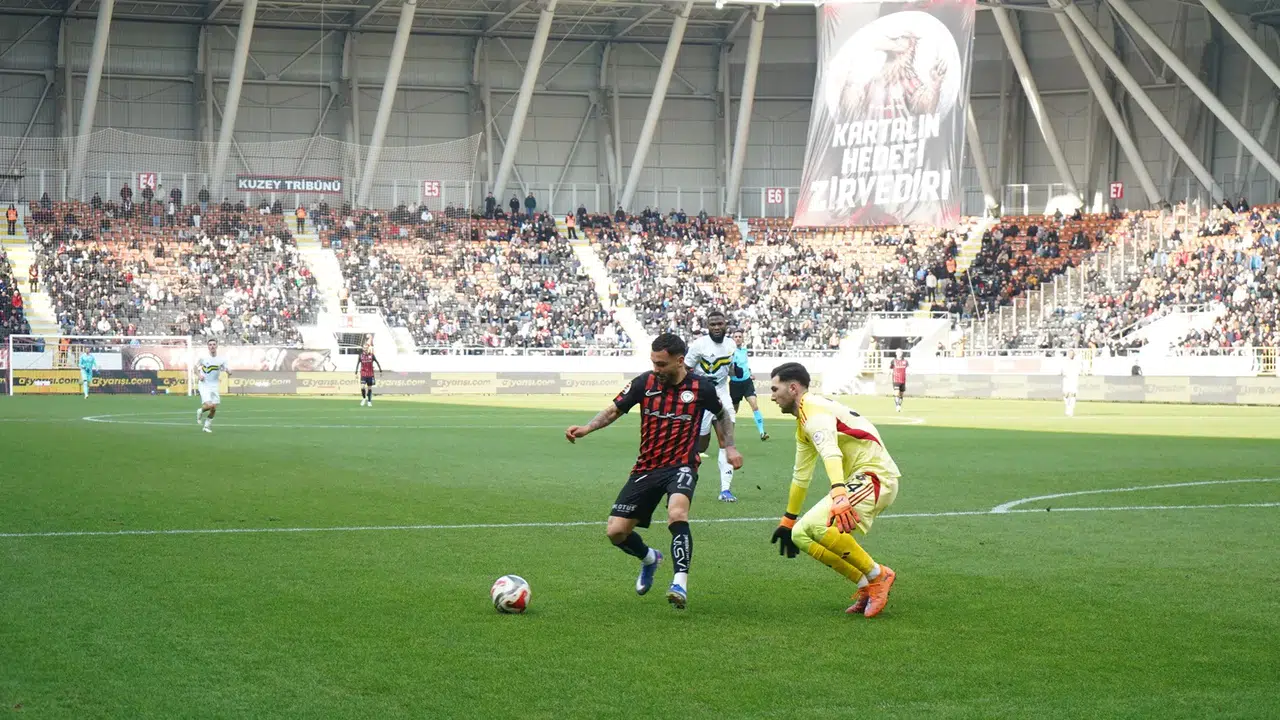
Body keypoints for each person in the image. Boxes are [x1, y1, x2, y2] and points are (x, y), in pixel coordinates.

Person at [565, 333, 742, 610]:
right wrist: (588, 427)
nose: (656, 369)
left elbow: (722, 415)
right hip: (647, 466)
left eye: (661, 364)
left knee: (677, 513)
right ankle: (649, 558)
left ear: (680, 361)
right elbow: (614, 410)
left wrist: (729, 447)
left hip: (682, 464)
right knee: (616, 532)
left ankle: (679, 583)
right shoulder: (644, 383)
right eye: (653, 363)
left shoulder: (700, 387)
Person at [767, 362, 900, 618]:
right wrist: (787, 520)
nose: (772, 396)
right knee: (799, 534)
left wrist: (840, 494)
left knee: (818, 525)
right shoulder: (804, 422)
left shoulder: (813, 410)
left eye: (775, 389)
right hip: (859, 479)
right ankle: (865, 585)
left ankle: (879, 576)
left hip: (875, 477)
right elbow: (801, 476)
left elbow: (830, 451)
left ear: (793, 388)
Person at [685, 310, 740, 502]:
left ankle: (725, 490)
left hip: (723, 396)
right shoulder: (699, 345)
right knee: (701, 446)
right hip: (702, 398)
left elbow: (731, 370)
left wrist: (736, 370)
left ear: (726, 324)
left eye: (719, 324)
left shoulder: (731, 344)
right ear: (707, 326)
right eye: (712, 324)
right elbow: (685, 369)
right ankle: (683, 480)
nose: (716, 327)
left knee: (726, 441)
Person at [729, 332, 768, 441]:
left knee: (754, 405)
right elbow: (729, 369)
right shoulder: (729, 352)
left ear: (743, 339)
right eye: (735, 337)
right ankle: (728, 434)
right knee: (734, 411)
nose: (737, 339)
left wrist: (750, 373)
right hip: (735, 384)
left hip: (747, 382)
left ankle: (762, 432)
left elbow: (745, 365)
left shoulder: (744, 351)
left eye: (739, 337)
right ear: (733, 339)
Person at [195, 339, 231, 434]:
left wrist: (229, 372)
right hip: (204, 384)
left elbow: (227, 369)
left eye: (214, 344)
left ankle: (206, 426)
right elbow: (195, 368)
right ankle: (200, 411)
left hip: (214, 385)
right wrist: (199, 376)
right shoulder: (203, 358)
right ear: (208, 347)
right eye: (210, 345)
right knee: (209, 405)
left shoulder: (222, 359)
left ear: (217, 346)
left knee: (214, 408)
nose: (212, 346)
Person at [357, 341, 383, 406]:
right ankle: (363, 398)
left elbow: (377, 362)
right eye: (364, 348)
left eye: (366, 347)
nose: (365, 349)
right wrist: (355, 373)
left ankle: (369, 401)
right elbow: (357, 364)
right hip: (363, 374)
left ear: (368, 348)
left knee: (369, 388)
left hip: (370, 374)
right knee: (362, 387)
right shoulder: (361, 356)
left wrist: (380, 371)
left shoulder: (371, 355)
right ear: (363, 348)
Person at [1062, 349, 1082, 417]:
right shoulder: (1065, 361)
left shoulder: (1077, 361)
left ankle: (1071, 410)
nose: (1071, 355)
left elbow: (1080, 368)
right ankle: (1067, 408)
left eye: (1072, 353)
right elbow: (1062, 370)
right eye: (1070, 353)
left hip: (1074, 379)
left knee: (1073, 395)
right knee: (1066, 395)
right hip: (1066, 379)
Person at [890, 349, 908, 413]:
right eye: (898, 352)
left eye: (901, 352)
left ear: (902, 353)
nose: (899, 353)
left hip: (903, 380)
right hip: (896, 379)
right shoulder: (893, 361)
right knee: (896, 393)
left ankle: (899, 405)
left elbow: (908, 369)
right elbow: (890, 369)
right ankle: (897, 405)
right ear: (896, 353)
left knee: (901, 395)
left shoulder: (905, 361)